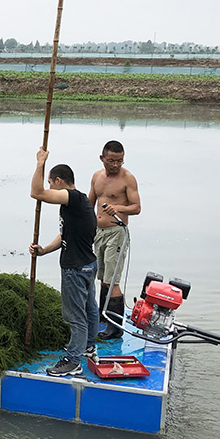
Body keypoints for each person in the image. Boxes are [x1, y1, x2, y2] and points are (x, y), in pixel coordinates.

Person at [29, 147, 98, 377]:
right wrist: (45, 250)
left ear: (59, 181)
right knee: (89, 309)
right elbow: (66, 235)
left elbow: (36, 193)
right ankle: (88, 346)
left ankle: (73, 360)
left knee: (75, 317)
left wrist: (40, 162)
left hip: (76, 269)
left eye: (51, 183)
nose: (49, 187)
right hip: (88, 264)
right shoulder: (79, 206)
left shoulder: (74, 198)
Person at [88, 140, 141, 340]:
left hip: (116, 232)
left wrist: (117, 208)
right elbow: (89, 203)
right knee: (102, 276)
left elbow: (136, 207)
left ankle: (116, 327)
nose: (116, 165)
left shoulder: (128, 179)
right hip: (98, 233)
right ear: (102, 159)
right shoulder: (96, 177)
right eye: (112, 161)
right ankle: (103, 318)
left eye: (120, 161)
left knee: (112, 280)